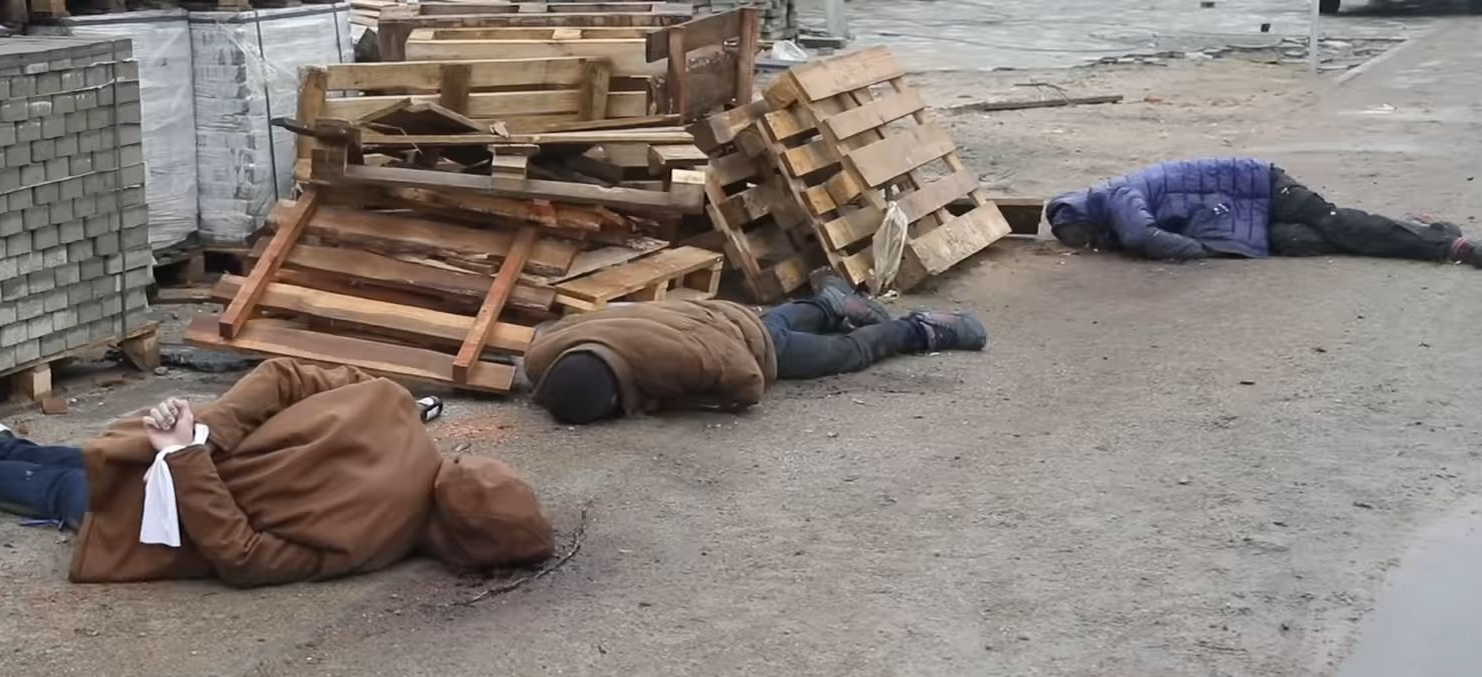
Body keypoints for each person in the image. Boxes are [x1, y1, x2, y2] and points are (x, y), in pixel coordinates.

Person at [0, 358, 555, 587]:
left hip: (177, 458)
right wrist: (192, 451)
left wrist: (207, 434)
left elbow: (284, 375)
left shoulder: (393, 404)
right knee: (64, 490)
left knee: (98, 462)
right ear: (458, 547)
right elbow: (242, 557)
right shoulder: (370, 544)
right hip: (168, 510)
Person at [523, 277, 987, 425]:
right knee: (772, 321)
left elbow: (747, 382)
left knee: (843, 353)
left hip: (743, 341)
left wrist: (684, 402)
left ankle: (917, 329)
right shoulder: (542, 355)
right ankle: (826, 304)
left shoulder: (676, 362)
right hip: (708, 311)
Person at [1047, 157, 1481, 266]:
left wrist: (1196, 252)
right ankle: (1426, 233)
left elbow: (1143, 236)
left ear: (1085, 215)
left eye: (1081, 237)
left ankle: (1451, 246)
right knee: (1303, 241)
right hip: (1231, 211)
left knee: (1336, 224)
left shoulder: (1117, 195)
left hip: (1258, 184)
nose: (1086, 245)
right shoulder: (1112, 201)